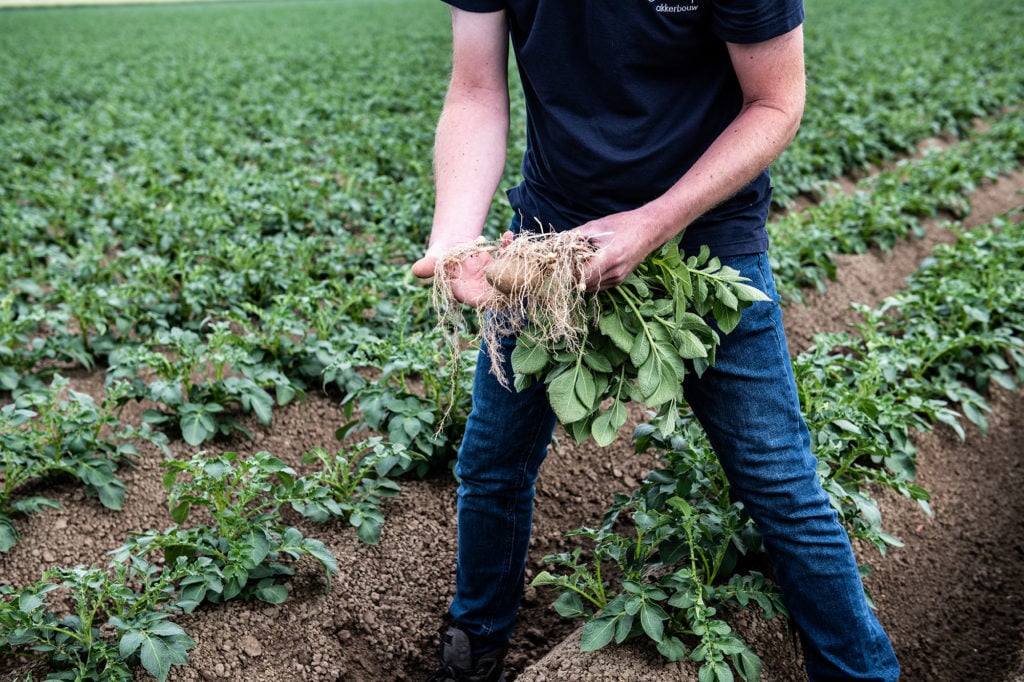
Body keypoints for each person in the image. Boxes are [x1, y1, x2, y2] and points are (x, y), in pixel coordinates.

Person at [411, 2, 901, 681]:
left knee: (780, 485)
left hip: (702, 247)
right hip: (550, 249)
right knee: (493, 465)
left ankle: (860, 675)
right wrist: (456, 239)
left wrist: (652, 224)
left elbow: (776, 102)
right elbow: (475, 90)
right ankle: (474, 648)